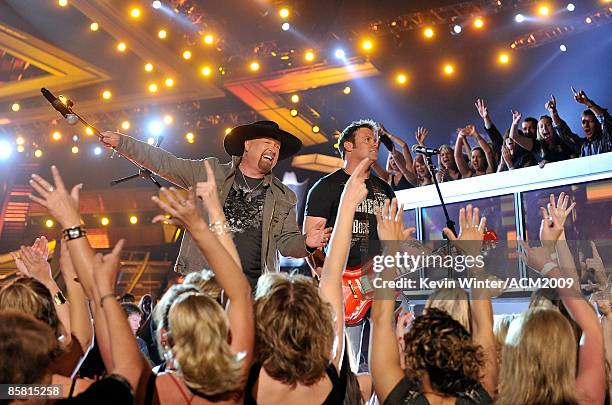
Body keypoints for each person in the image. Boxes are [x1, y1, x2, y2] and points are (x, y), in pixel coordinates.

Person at [100, 120, 331, 287]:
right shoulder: (209, 172)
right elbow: (165, 163)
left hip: (255, 288)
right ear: (247, 145)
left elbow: (287, 244)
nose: (274, 149)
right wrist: (123, 143)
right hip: (207, 282)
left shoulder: (283, 195)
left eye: (278, 147)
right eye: (267, 142)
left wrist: (307, 244)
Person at [246, 157, 373, 405]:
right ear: (319, 324)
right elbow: (332, 276)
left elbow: (236, 294)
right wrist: (347, 204)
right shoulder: (332, 377)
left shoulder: (247, 382)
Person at [370, 202, 497, 404]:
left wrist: (390, 250)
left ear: (415, 357)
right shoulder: (479, 398)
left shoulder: (402, 400)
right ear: (468, 353)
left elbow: (380, 320)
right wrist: (473, 257)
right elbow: (484, 326)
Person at [304, 119, 395, 371]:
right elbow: (310, 242)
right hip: (344, 288)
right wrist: (332, 284)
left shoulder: (384, 189)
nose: (374, 142)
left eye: (375, 138)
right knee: (347, 362)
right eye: (367, 138)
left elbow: (394, 236)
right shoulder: (326, 187)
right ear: (348, 146)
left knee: (388, 356)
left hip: (377, 282)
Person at [512, 193, 605, 405]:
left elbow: (571, 292)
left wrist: (555, 244)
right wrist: (548, 263)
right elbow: (587, 319)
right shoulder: (586, 396)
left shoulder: (511, 397)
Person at [509, 107, 575, 165]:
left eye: (548, 125)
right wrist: (515, 123)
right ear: (539, 131)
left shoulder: (563, 140)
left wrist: (553, 112)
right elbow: (513, 136)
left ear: (553, 127)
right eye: (541, 127)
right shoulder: (536, 144)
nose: (544, 128)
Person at [555, 88, 612, 156]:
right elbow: (565, 133)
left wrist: (587, 102)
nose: (586, 125)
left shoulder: (606, 140)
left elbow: (605, 119)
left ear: (598, 124)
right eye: (583, 122)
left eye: (590, 121)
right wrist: (553, 112)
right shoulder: (582, 146)